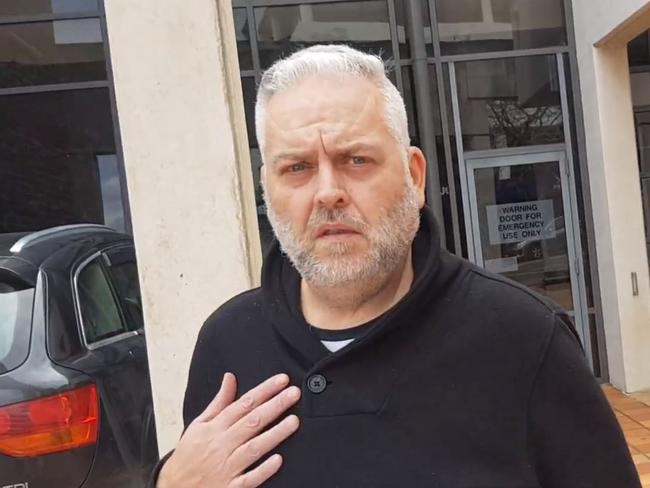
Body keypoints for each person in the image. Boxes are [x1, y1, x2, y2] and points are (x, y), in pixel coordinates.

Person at [153, 44, 641, 487]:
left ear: (414, 174)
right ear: (268, 188)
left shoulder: (525, 340)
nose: (327, 192)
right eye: (296, 167)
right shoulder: (228, 345)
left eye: (356, 160)